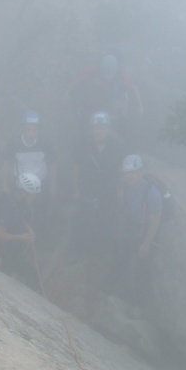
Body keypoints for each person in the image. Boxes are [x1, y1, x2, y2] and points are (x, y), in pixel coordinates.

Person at [71, 111, 122, 261]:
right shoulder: (83, 144)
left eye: (103, 128)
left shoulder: (116, 145)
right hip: (87, 188)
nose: (99, 131)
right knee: (83, 218)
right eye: (96, 128)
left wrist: (120, 189)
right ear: (91, 129)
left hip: (108, 190)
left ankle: (100, 250)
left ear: (108, 129)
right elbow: (75, 167)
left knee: (104, 219)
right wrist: (76, 190)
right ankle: (79, 250)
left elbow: (120, 169)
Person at [69, 51, 144, 147]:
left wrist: (140, 107)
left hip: (110, 103)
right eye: (104, 76)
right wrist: (68, 96)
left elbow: (133, 87)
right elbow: (76, 80)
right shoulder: (91, 70)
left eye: (110, 76)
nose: (107, 79)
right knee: (86, 125)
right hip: (93, 102)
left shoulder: (121, 73)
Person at [118, 154, 161, 304]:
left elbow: (156, 220)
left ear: (141, 172)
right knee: (121, 257)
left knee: (142, 269)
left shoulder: (152, 192)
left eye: (132, 172)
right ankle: (115, 291)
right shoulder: (127, 187)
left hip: (148, 233)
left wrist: (146, 244)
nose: (129, 176)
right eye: (126, 173)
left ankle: (139, 303)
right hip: (135, 229)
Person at [1, 111, 57, 223]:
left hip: (41, 184)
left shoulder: (46, 142)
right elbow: (7, 164)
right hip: (21, 186)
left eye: (34, 130)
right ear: (22, 129)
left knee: (42, 214)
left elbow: (52, 164)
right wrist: (5, 186)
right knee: (20, 215)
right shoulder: (14, 143)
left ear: (38, 130)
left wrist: (53, 186)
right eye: (27, 129)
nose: (31, 134)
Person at [0, 172, 42, 289]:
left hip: (11, 247)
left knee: (30, 271)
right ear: (24, 193)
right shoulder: (7, 205)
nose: (34, 197)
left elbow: (20, 217)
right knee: (31, 274)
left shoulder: (17, 201)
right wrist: (22, 238)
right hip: (3, 251)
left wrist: (29, 230)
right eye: (32, 194)